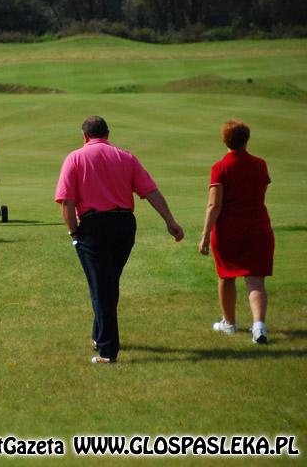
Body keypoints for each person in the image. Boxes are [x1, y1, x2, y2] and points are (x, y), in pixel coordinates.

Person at [55, 116, 184, 364]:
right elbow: (150, 191)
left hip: (94, 226)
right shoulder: (126, 157)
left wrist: (73, 233)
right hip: (125, 224)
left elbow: (67, 201)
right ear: (107, 133)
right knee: (107, 282)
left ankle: (107, 351)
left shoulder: (75, 158)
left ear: (84, 136)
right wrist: (170, 220)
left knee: (102, 285)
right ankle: (99, 335)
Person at [198, 120, 274, 344]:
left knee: (226, 276)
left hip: (229, 230)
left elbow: (214, 206)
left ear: (224, 140)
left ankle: (229, 323)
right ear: (246, 139)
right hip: (259, 228)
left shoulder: (220, 167)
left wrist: (204, 237)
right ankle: (259, 327)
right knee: (256, 281)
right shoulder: (260, 164)